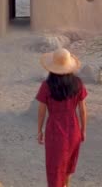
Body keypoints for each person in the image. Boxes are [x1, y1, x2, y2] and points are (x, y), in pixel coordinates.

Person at [36, 48, 88, 187]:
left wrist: (39, 130)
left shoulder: (47, 86)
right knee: (68, 167)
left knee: (55, 168)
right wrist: (83, 130)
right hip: (73, 130)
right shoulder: (78, 83)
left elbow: (42, 111)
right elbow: (82, 110)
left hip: (55, 132)